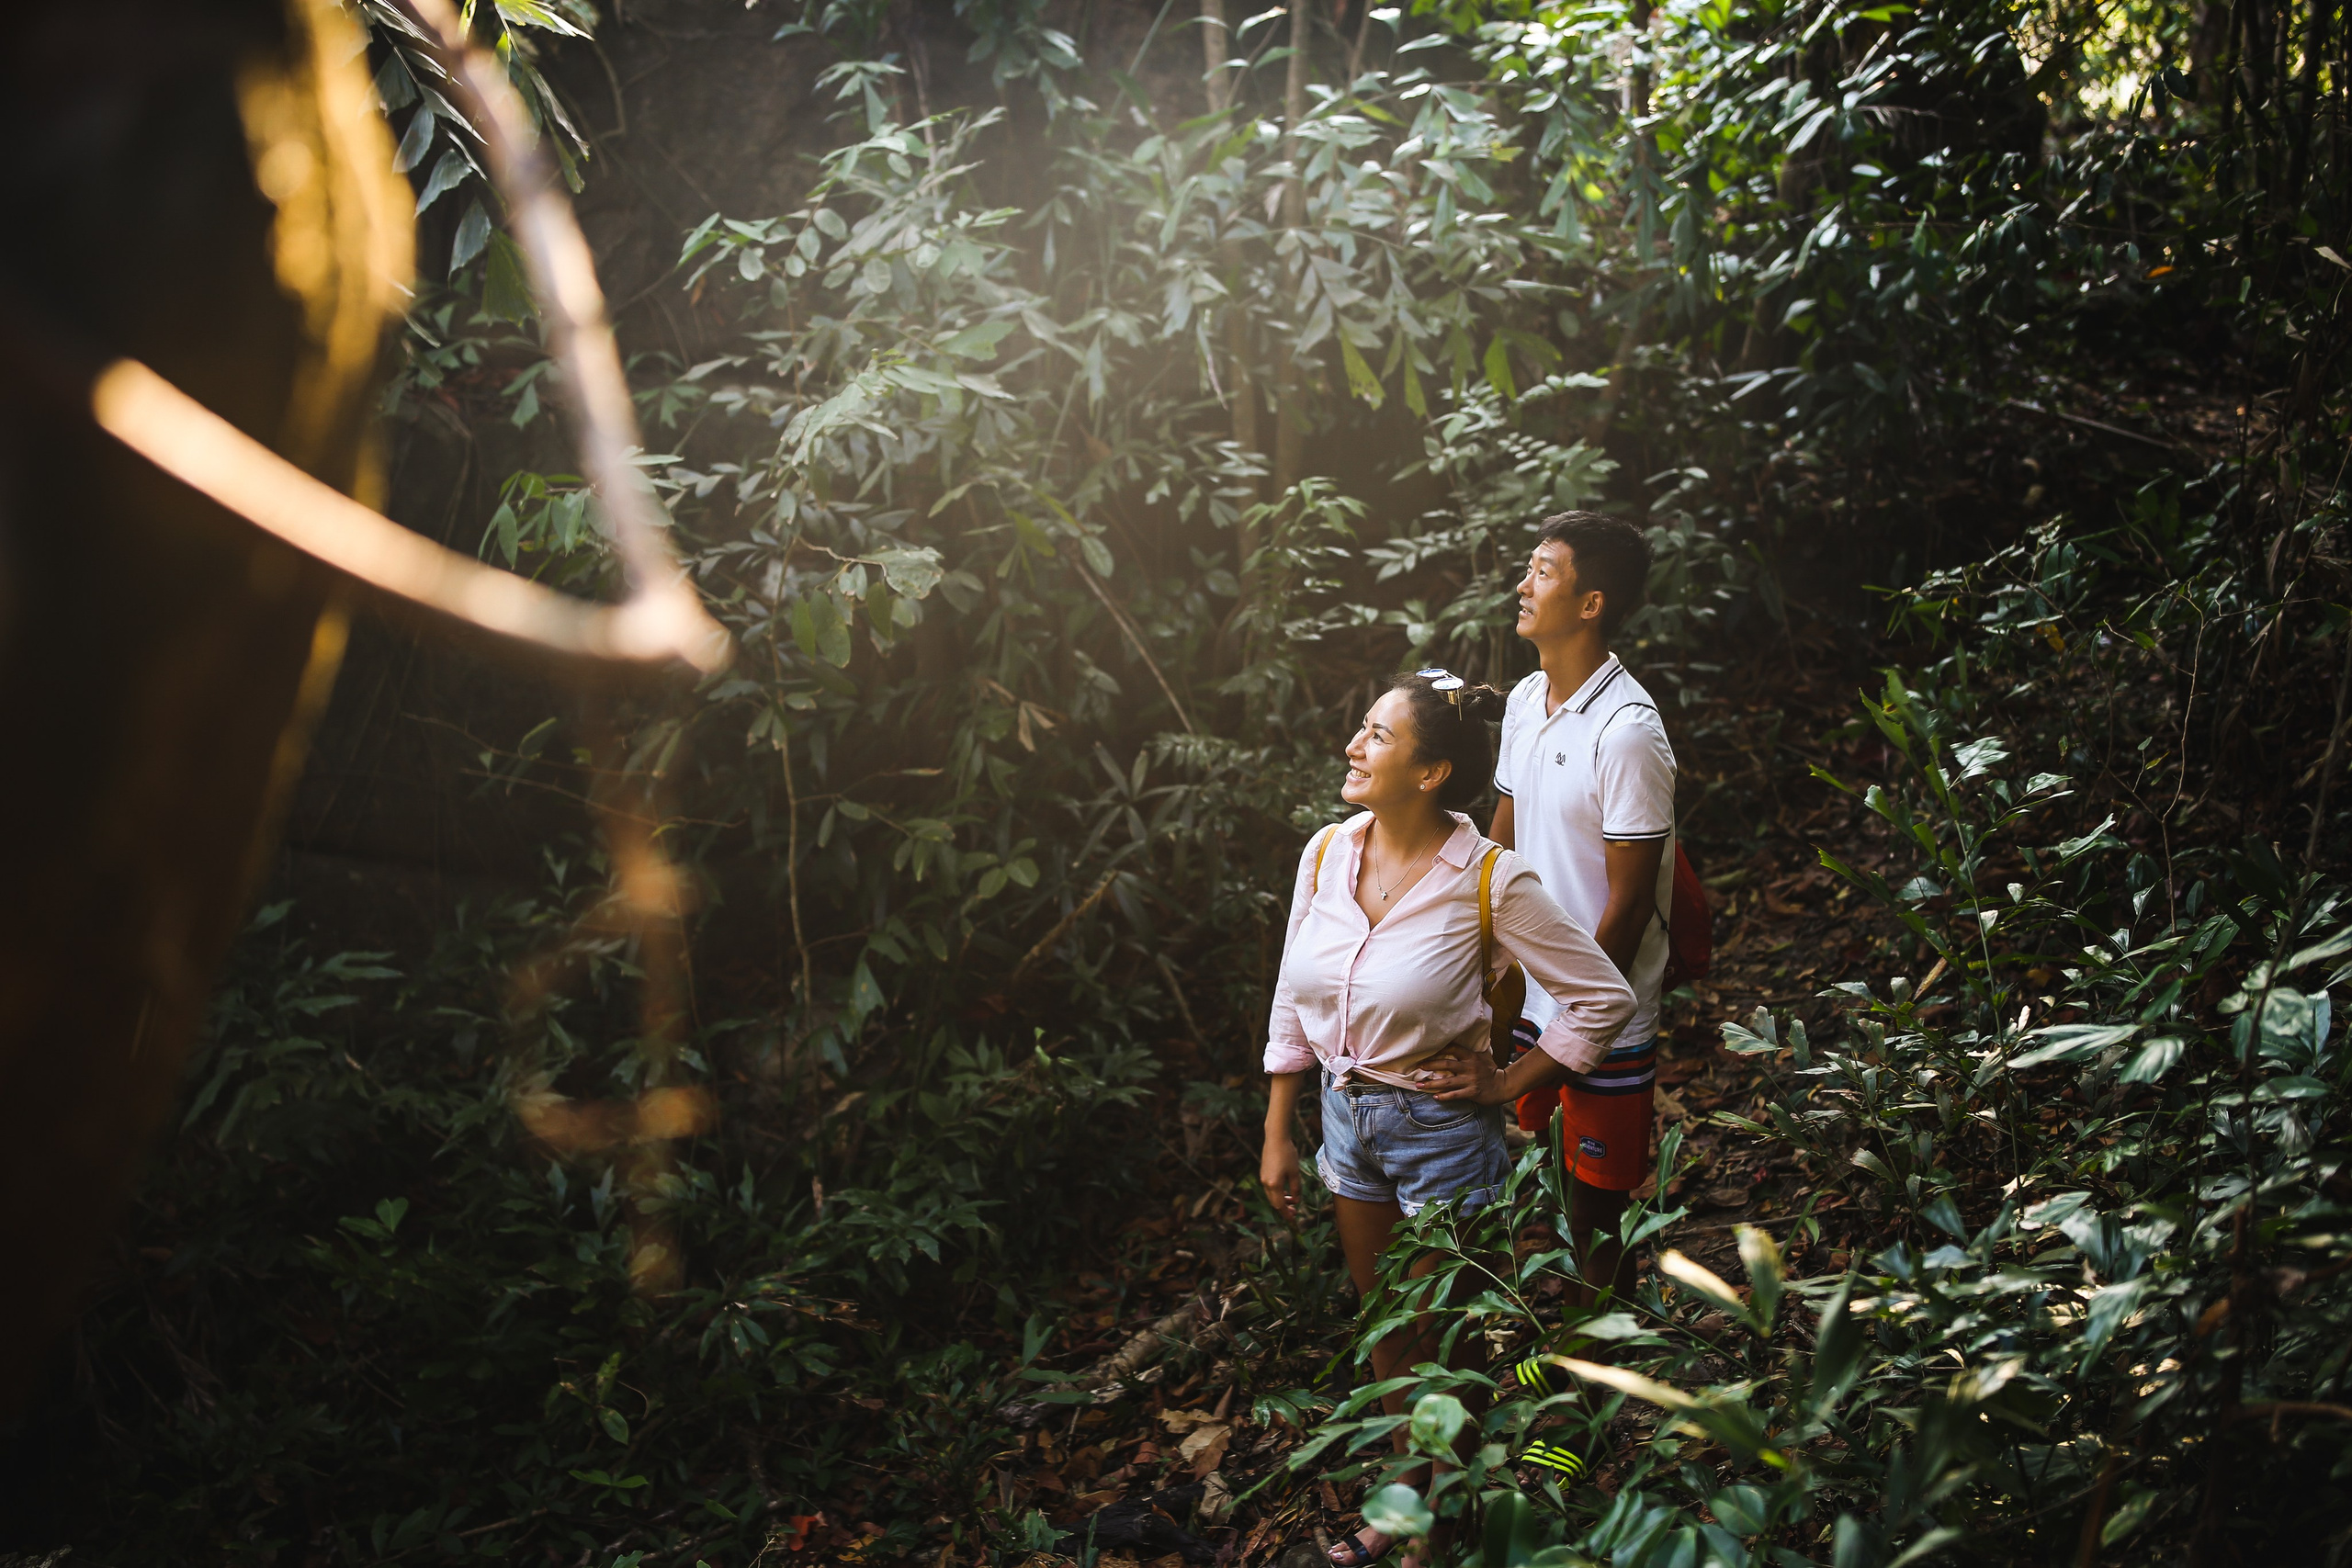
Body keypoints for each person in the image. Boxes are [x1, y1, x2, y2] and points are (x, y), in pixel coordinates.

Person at [1259, 671, 1634, 1568]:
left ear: (1429, 773)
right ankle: (1404, 1508)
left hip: (1440, 1136)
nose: (1353, 746)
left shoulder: (1490, 880)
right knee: (1385, 1329)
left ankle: (1446, 1530)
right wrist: (1279, 1125)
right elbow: (1291, 992)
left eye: (1376, 736)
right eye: (1362, 728)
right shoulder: (1325, 853)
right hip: (1343, 1120)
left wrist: (1510, 1084)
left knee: (1438, 1338)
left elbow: (1599, 996)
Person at [1484, 512, 1677, 1313]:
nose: (1523, 586)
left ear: (1591, 602)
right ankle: (1577, 1347)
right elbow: (1500, 834)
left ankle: (1600, 1394)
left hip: (1600, 1009)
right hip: (1526, 992)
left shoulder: (1628, 733)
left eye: (1542, 571)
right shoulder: (1529, 699)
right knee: (1553, 1177)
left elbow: (1629, 903)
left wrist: (1576, 1020)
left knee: (1598, 1208)